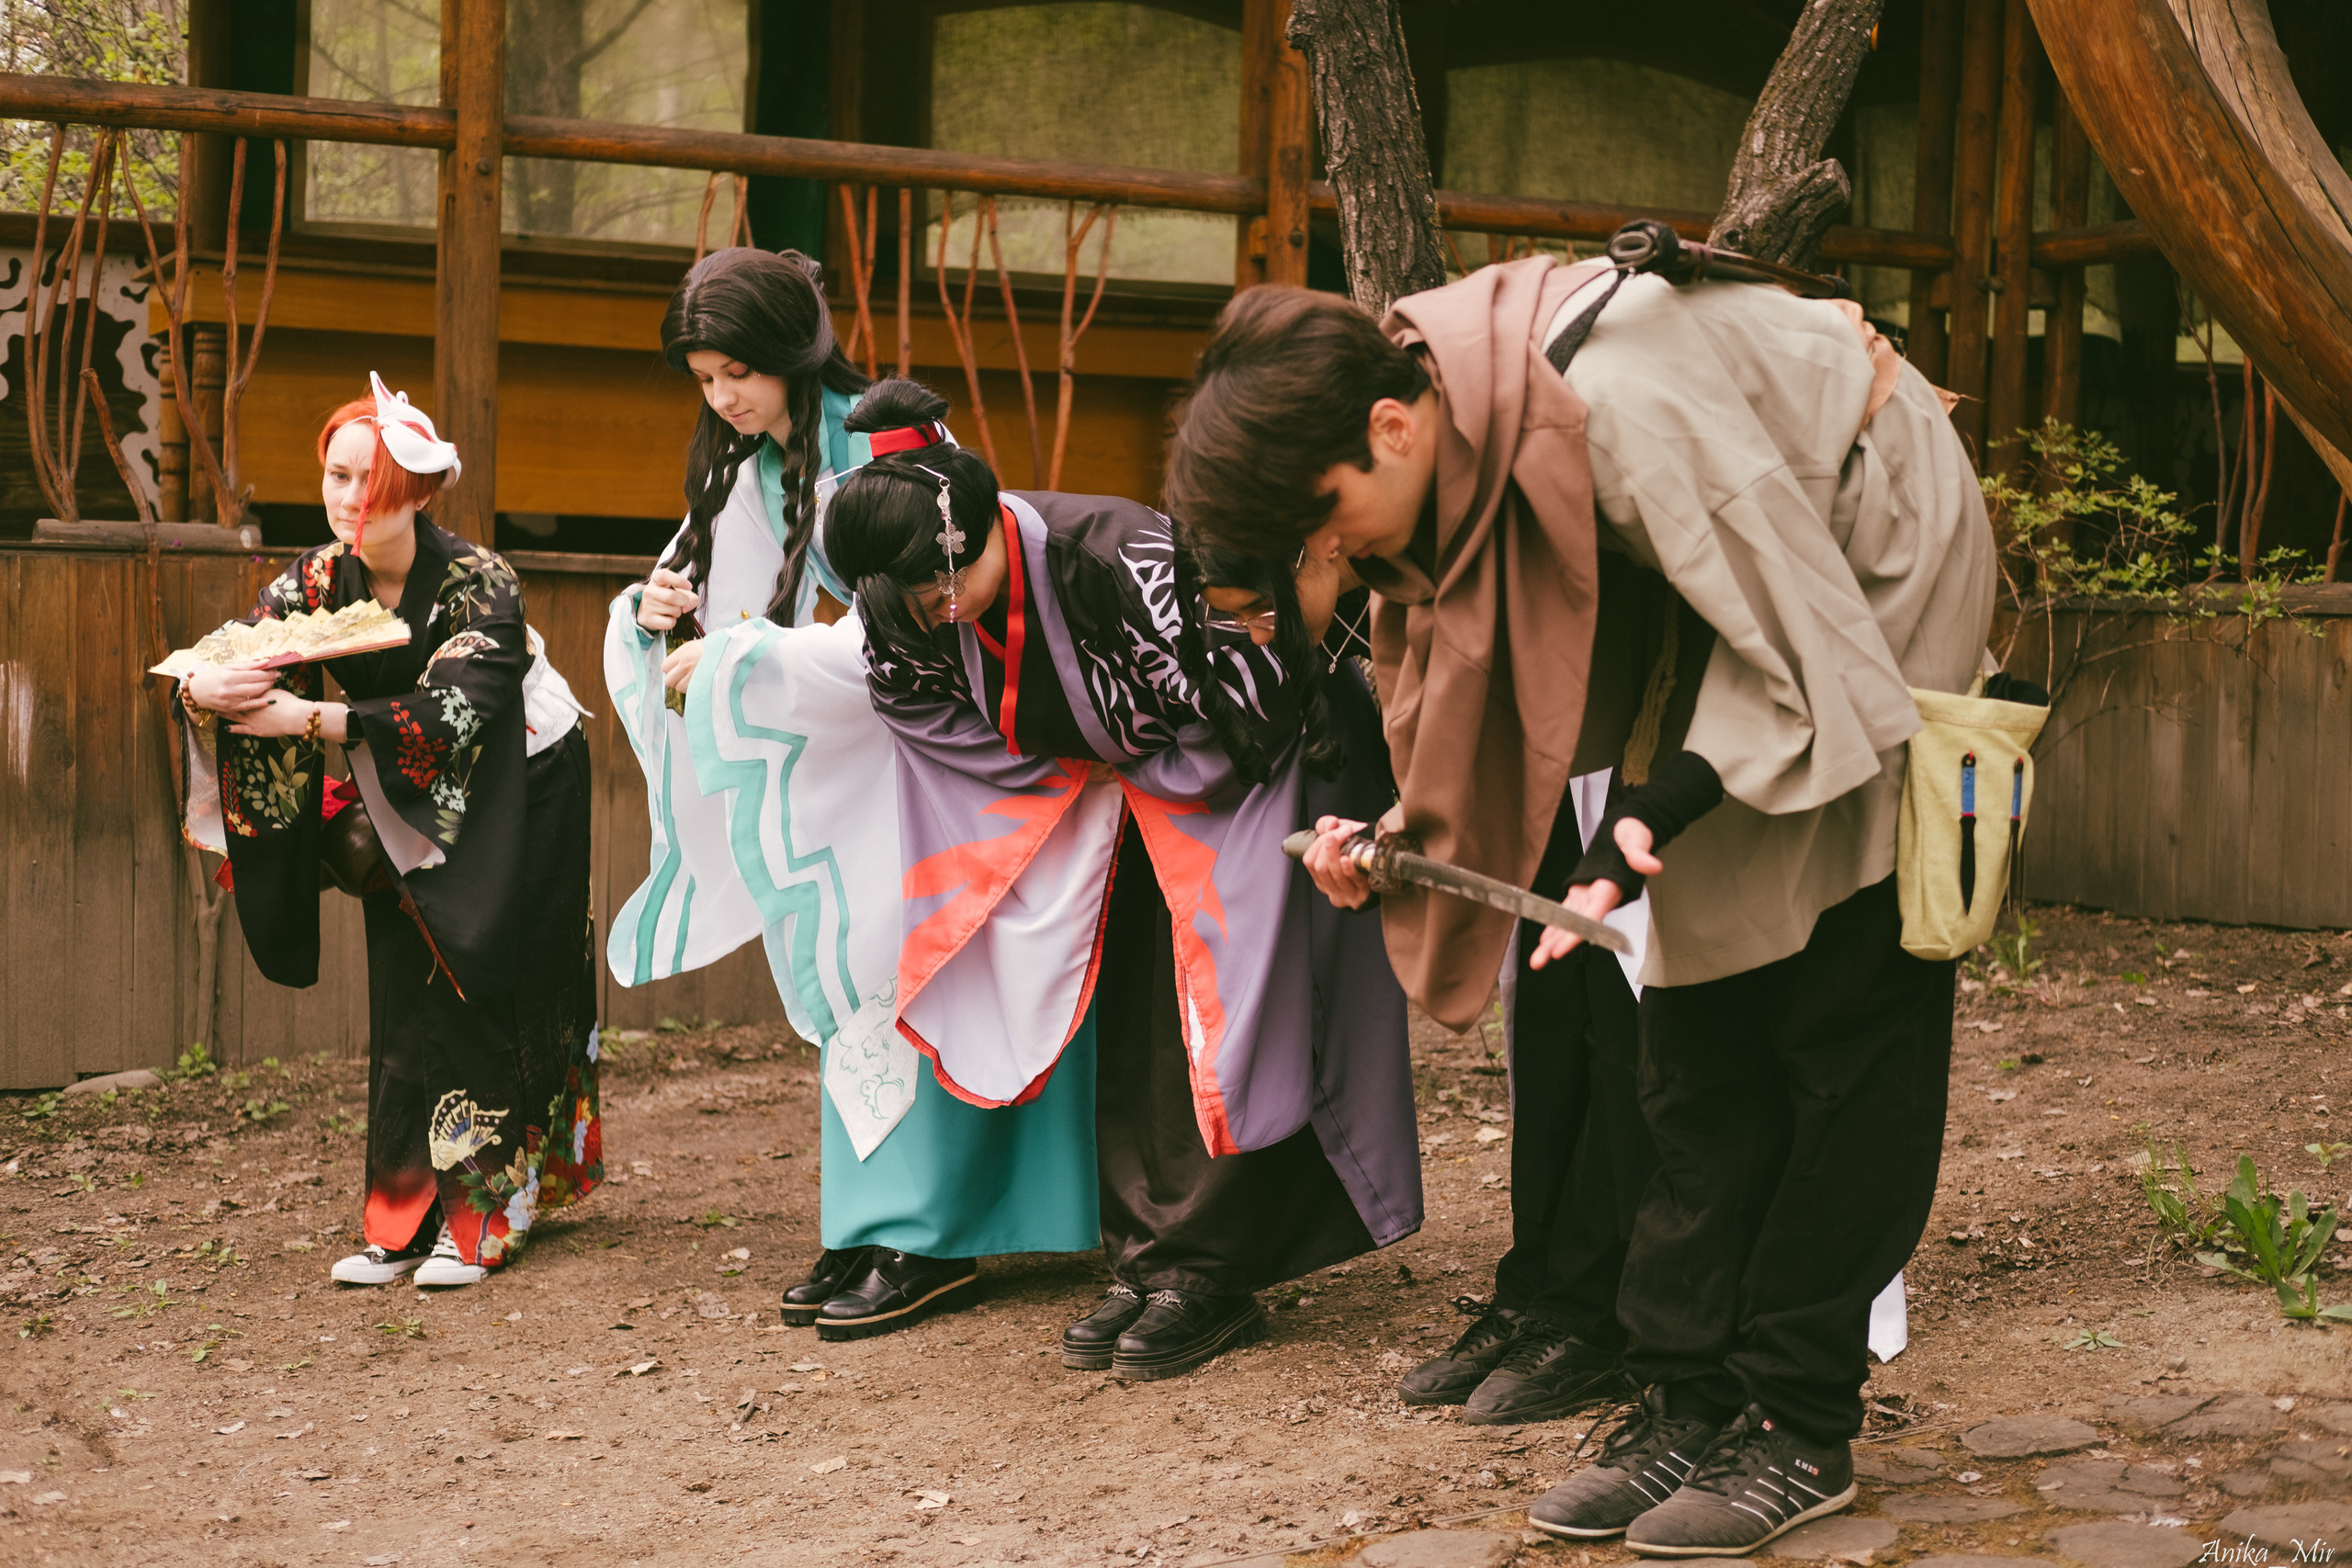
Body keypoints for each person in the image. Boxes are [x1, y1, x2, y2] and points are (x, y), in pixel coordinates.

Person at [1164, 259, 1994, 1554]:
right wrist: (1403, 836)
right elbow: (1479, 665)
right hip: (1725, 588)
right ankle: (1690, 1389)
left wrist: (1651, 810)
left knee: (1837, 995)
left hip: (1865, 560)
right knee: (1693, 1010)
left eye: (1328, 518)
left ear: (1387, 426)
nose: (1339, 552)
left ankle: (1795, 1412)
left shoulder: (1621, 401)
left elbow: (1800, 636)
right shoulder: (1451, 416)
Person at [821, 378, 1421, 1379]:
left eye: (941, 585)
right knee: (1134, 1017)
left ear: (975, 527)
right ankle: (1145, 1255)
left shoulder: (1123, 556)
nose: (932, 612)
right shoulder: (903, 599)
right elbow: (915, 710)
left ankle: (1213, 1268)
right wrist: (1076, 773)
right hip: (1109, 798)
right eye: (908, 601)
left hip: (1252, 774)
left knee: (1225, 1013)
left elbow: (1256, 682)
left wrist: (1129, 765)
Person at [177, 375, 601, 1291]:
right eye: (336, 477)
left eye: (372, 483)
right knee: (406, 984)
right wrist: (201, 687)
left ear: (419, 491)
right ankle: (402, 1210)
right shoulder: (320, 577)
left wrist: (304, 722)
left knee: (492, 973)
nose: (349, 501)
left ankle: (488, 1214)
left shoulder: (481, 579)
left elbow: (458, 712)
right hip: (404, 787)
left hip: (523, 781)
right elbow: (237, 648)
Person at [602, 245, 887, 1322]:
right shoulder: (751, 452)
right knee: (843, 981)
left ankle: (921, 1235)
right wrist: (656, 618)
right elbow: (723, 609)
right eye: (704, 379)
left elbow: (900, 640)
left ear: (791, 350)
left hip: (904, 763)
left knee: (888, 979)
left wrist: (740, 657)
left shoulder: (876, 440)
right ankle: (867, 1228)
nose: (722, 399)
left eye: (738, 374)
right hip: (823, 758)